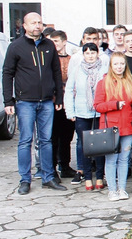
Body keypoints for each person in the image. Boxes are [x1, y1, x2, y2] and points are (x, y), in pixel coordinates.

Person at [2, 12, 68, 194]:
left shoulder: (49, 45)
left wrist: (59, 97)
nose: (37, 26)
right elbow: (7, 73)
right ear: (24, 26)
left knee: (46, 140)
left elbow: (56, 72)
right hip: (25, 102)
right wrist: (8, 100)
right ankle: (25, 180)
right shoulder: (16, 47)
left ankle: (48, 177)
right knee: (25, 141)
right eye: (33, 23)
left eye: (39, 22)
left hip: (47, 101)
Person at [94, 52, 132, 201]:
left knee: (124, 159)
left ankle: (122, 189)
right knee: (111, 159)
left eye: (121, 63)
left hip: (128, 127)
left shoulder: (130, 81)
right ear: (111, 65)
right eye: (116, 64)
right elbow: (98, 106)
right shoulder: (104, 82)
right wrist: (114, 105)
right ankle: (112, 190)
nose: (119, 67)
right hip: (111, 128)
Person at [65, 43, 107, 191]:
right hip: (82, 113)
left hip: (99, 112)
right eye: (87, 53)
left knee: (100, 146)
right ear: (83, 55)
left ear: (97, 54)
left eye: (93, 53)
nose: (90, 56)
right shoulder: (77, 70)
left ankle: (100, 176)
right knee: (85, 146)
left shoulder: (104, 69)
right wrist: (70, 112)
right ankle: (88, 177)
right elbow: (69, 90)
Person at [47, 30, 77, 179]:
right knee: (54, 137)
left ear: (64, 42)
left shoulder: (72, 59)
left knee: (67, 136)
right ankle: (52, 168)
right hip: (54, 103)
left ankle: (65, 165)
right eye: (52, 41)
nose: (55, 44)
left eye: (57, 41)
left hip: (69, 103)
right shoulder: (50, 59)